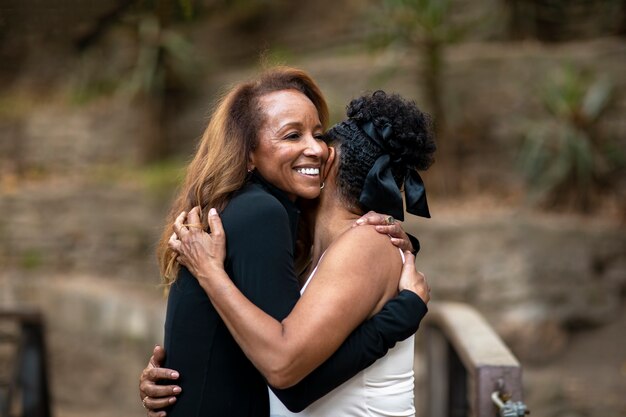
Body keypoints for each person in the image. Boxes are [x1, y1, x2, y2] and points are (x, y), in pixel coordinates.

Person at [139, 68, 431, 417]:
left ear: (331, 161)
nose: (314, 149)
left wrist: (209, 273)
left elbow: (285, 370)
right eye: (293, 135)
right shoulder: (275, 229)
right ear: (248, 153)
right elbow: (271, 359)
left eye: (319, 136)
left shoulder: (360, 242)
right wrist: (180, 376)